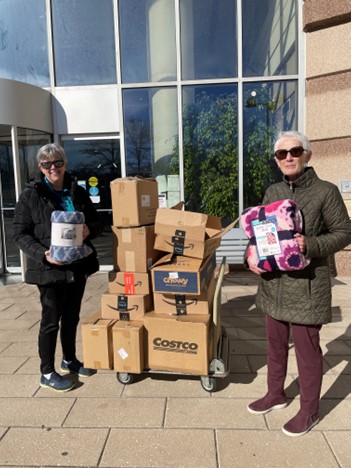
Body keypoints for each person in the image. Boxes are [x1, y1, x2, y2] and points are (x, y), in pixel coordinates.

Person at [246, 131, 351, 436]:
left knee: (307, 353)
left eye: (295, 151)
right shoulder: (273, 191)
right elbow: (258, 231)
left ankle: (309, 410)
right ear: (277, 161)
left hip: (307, 286)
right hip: (273, 283)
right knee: (275, 346)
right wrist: (250, 255)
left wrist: (311, 244)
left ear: (308, 155)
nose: (288, 157)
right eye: (281, 154)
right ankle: (275, 394)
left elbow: (344, 232)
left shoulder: (325, 192)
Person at [13, 143, 103, 392]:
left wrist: (89, 229)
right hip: (49, 269)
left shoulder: (76, 191)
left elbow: (97, 221)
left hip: (77, 265)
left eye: (58, 162)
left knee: (72, 317)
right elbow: (19, 233)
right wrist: (42, 254)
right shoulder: (31, 195)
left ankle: (69, 360)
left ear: (65, 164)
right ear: (40, 168)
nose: (53, 168)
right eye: (47, 164)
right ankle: (47, 372)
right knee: (50, 321)